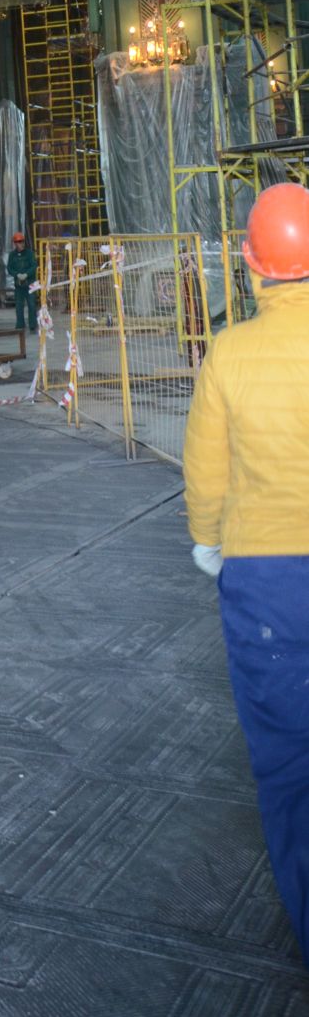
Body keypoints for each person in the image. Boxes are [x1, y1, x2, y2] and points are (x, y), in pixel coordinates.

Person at [183, 183, 309, 967]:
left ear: (248, 263)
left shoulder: (229, 351)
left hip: (265, 586)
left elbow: (204, 471)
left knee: (289, 771)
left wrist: (205, 541)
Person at [6, 230, 38, 331]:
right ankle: (20, 325)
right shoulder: (12, 255)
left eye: (22, 241)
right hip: (19, 285)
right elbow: (9, 268)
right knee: (19, 306)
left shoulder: (29, 253)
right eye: (18, 242)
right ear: (15, 243)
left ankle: (33, 325)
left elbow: (34, 266)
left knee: (32, 304)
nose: (21, 244)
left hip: (30, 284)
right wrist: (17, 274)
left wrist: (26, 274)